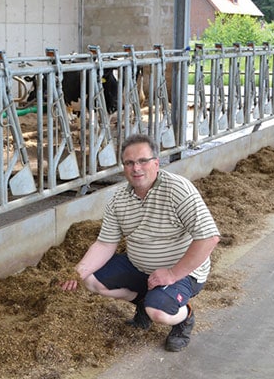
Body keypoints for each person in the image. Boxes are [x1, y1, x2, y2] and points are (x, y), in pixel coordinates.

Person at [61, 134, 220, 352]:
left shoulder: (178, 190)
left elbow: (209, 238)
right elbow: (104, 244)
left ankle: (184, 317)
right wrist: (75, 273)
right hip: (140, 266)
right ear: (123, 167)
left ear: (156, 162)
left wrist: (172, 274)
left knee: (160, 312)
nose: (136, 168)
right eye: (129, 163)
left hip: (183, 272)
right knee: (91, 280)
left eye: (143, 161)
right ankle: (145, 303)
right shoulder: (119, 199)